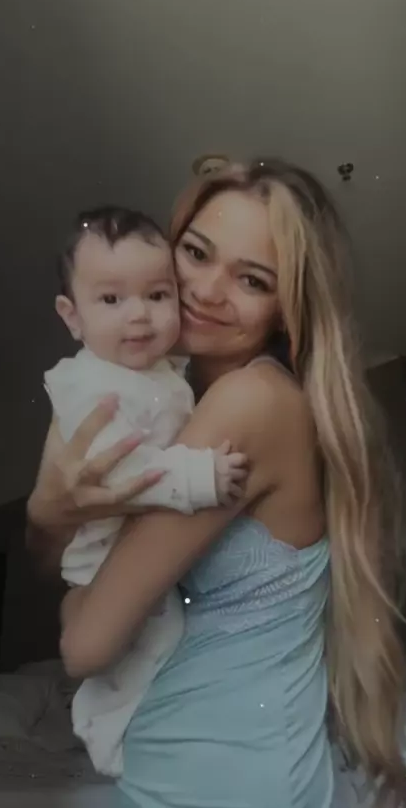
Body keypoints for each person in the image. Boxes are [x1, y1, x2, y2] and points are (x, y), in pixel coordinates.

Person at [27, 157, 406, 808]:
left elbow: (84, 648)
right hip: (220, 757)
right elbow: (70, 548)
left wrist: (67, 572)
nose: (206, 291)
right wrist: (49, 515)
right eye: (196, 253)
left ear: (287, 311)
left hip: (219, 772)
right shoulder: (171, 400)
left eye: (252, 279)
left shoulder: (249, 403)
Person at [44, 205, 246, 776]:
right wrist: (198, 478)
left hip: (137, 544)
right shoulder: (91, 386)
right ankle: (108, 736)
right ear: (72, 317)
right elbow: (118, 474)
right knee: (148, 645)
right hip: (104, 554)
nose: (139, 315)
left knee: (162, 643)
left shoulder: (155, 372)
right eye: (111, 300)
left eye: (157, 296)